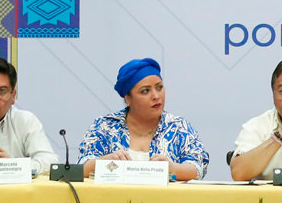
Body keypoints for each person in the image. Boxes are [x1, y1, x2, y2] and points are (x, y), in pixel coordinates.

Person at [75, 58, 208, 180]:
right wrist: (105, 162)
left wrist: (172, 168)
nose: (156, 96)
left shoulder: (179, 127)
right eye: (145, 91)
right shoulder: (105, 126)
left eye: (159, 87)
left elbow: (197, 168)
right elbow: (82, 167)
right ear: (128, 99)